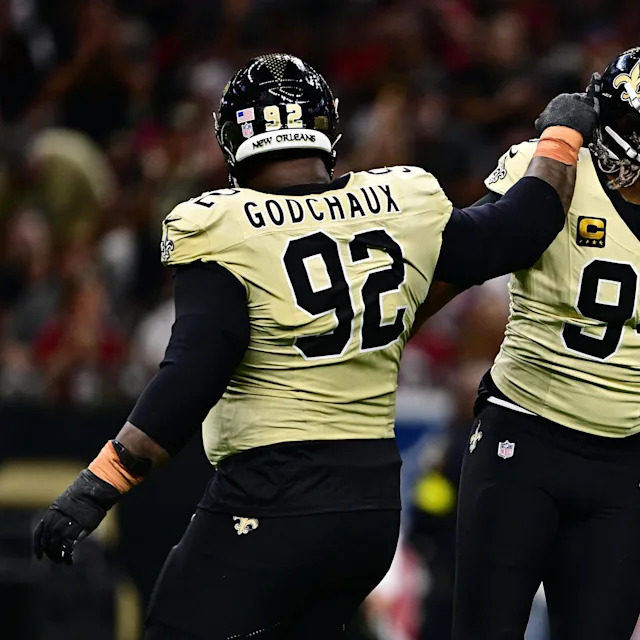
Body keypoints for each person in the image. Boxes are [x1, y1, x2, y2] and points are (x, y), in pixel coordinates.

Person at [31, 53, 599, 639]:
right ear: (327, 127)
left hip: (274, 495)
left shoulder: (222, 225)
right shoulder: (401, 202)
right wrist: (560, 135)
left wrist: (98, 485)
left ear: (233, 142)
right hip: (370, 505)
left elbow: (192, 374)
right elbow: (522, 225)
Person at [415, 43, 640, 639]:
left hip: (622, 464)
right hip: (519, 441)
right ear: (634, 122)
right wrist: (376, 354)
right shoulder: (554, 171)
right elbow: (454, 268)